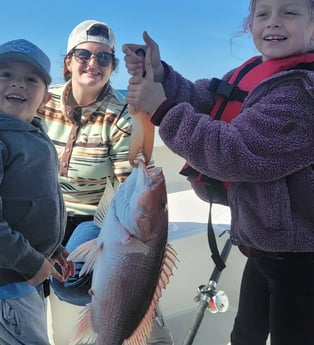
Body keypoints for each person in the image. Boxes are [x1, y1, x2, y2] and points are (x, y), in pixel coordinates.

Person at [123, 0, 314, 344]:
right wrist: (162, 75)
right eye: (263, 14)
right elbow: (206, 100)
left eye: (289, 12)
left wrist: (163, 110)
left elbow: (237, 154)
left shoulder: (303, 93)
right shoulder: (254, 73)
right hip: (260, 245)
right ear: (250, 25)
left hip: (302, 257)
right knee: (246, 334)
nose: (273, 22)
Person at [37, 19, 174, 344]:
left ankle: (134, 305)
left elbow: (130, 176)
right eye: (84, 54)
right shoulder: (41, 99)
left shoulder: (120, 112)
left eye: (103, 58)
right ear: (68, 62)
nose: (93, 64)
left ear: (113, 67)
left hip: (85, 216)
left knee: (67, 281)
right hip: (41, 210)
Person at [0, 39, 74, 345]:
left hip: (28, 270)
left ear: (45, 98)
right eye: (6, 74)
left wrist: (52, 249)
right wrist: (30, 261)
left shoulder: (35, 134)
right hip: (5, 280)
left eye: (30, 79)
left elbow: (38, 201)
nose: (18, 84)